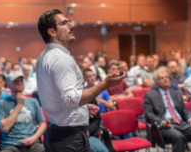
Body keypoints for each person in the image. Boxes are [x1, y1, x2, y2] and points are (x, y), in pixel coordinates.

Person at [36, 9, 125, 151]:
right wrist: (105, 84)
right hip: (69, 138)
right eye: (64, 23)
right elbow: (71, 101)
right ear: (52, 32)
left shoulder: (44, 55)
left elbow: (57, 97)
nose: (71, 26)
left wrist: (82, 108)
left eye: (69, 22)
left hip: (57, 133)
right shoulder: (61, 58)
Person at [143, 69, 191, 152]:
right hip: (165, 125)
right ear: (157, 83)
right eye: (162, 78)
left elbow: (184, 109)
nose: (165, 79)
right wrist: (162, 123)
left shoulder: (176, 93)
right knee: (178, 137)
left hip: (181, 123)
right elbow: (148, 114)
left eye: (166, 77)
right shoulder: (150, 95)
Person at [0, 71, 46, 152]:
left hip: (33, 144)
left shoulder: (33, 102)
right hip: (11, 145)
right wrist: (19, 105)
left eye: (21, 80)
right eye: (16, 81)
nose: (19, 82)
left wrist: (34, 138)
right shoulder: (1, 103)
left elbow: (43, 124)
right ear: (8, 85)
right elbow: (5, 128)